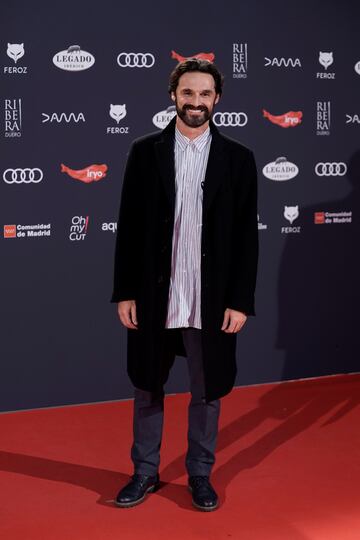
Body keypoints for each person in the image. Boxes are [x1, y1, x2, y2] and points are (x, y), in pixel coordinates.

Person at [111, 58, 258, 511]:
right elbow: (129, 226)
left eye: (205, 95)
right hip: (156, 293)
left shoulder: (239, 158)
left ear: (217, 99)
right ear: (174, 95)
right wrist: (126, 292)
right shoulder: (144, 151)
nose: (196, 103)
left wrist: (239, 301)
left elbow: (245, 238)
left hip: (209, 296)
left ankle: (199, 473)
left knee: (207, 388)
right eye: (188, 93)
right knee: (147, 386)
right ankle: (145, 472)